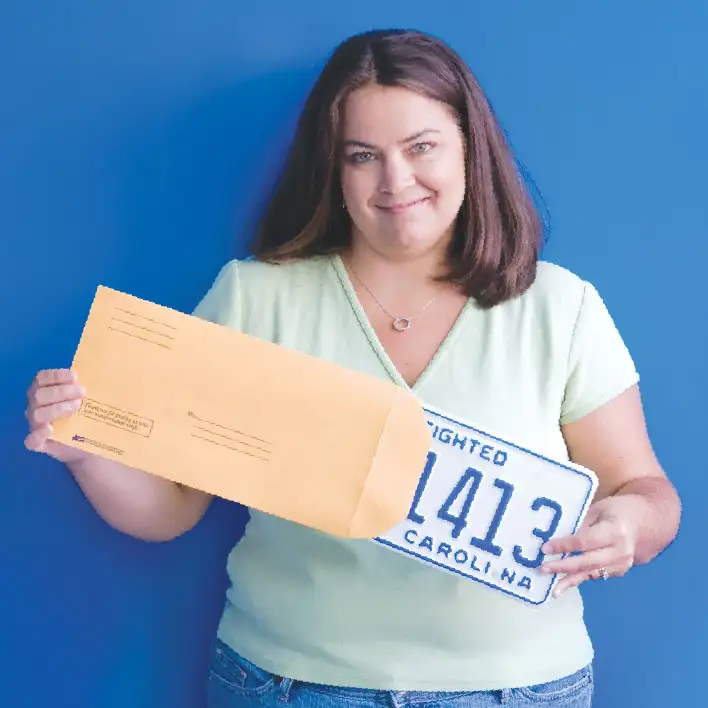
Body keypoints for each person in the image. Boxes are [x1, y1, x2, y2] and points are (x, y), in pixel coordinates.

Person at [24, 28, 680, 708]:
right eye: (363, 156)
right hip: (288, 683)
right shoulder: (257, 298)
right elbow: (175, 507)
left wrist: (629, 524)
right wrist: (87, 453)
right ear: (333, 170)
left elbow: (647, 488)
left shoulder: (559, 306)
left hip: (520, 687)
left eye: (421, 147)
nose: (396, 181)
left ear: (469, 147)